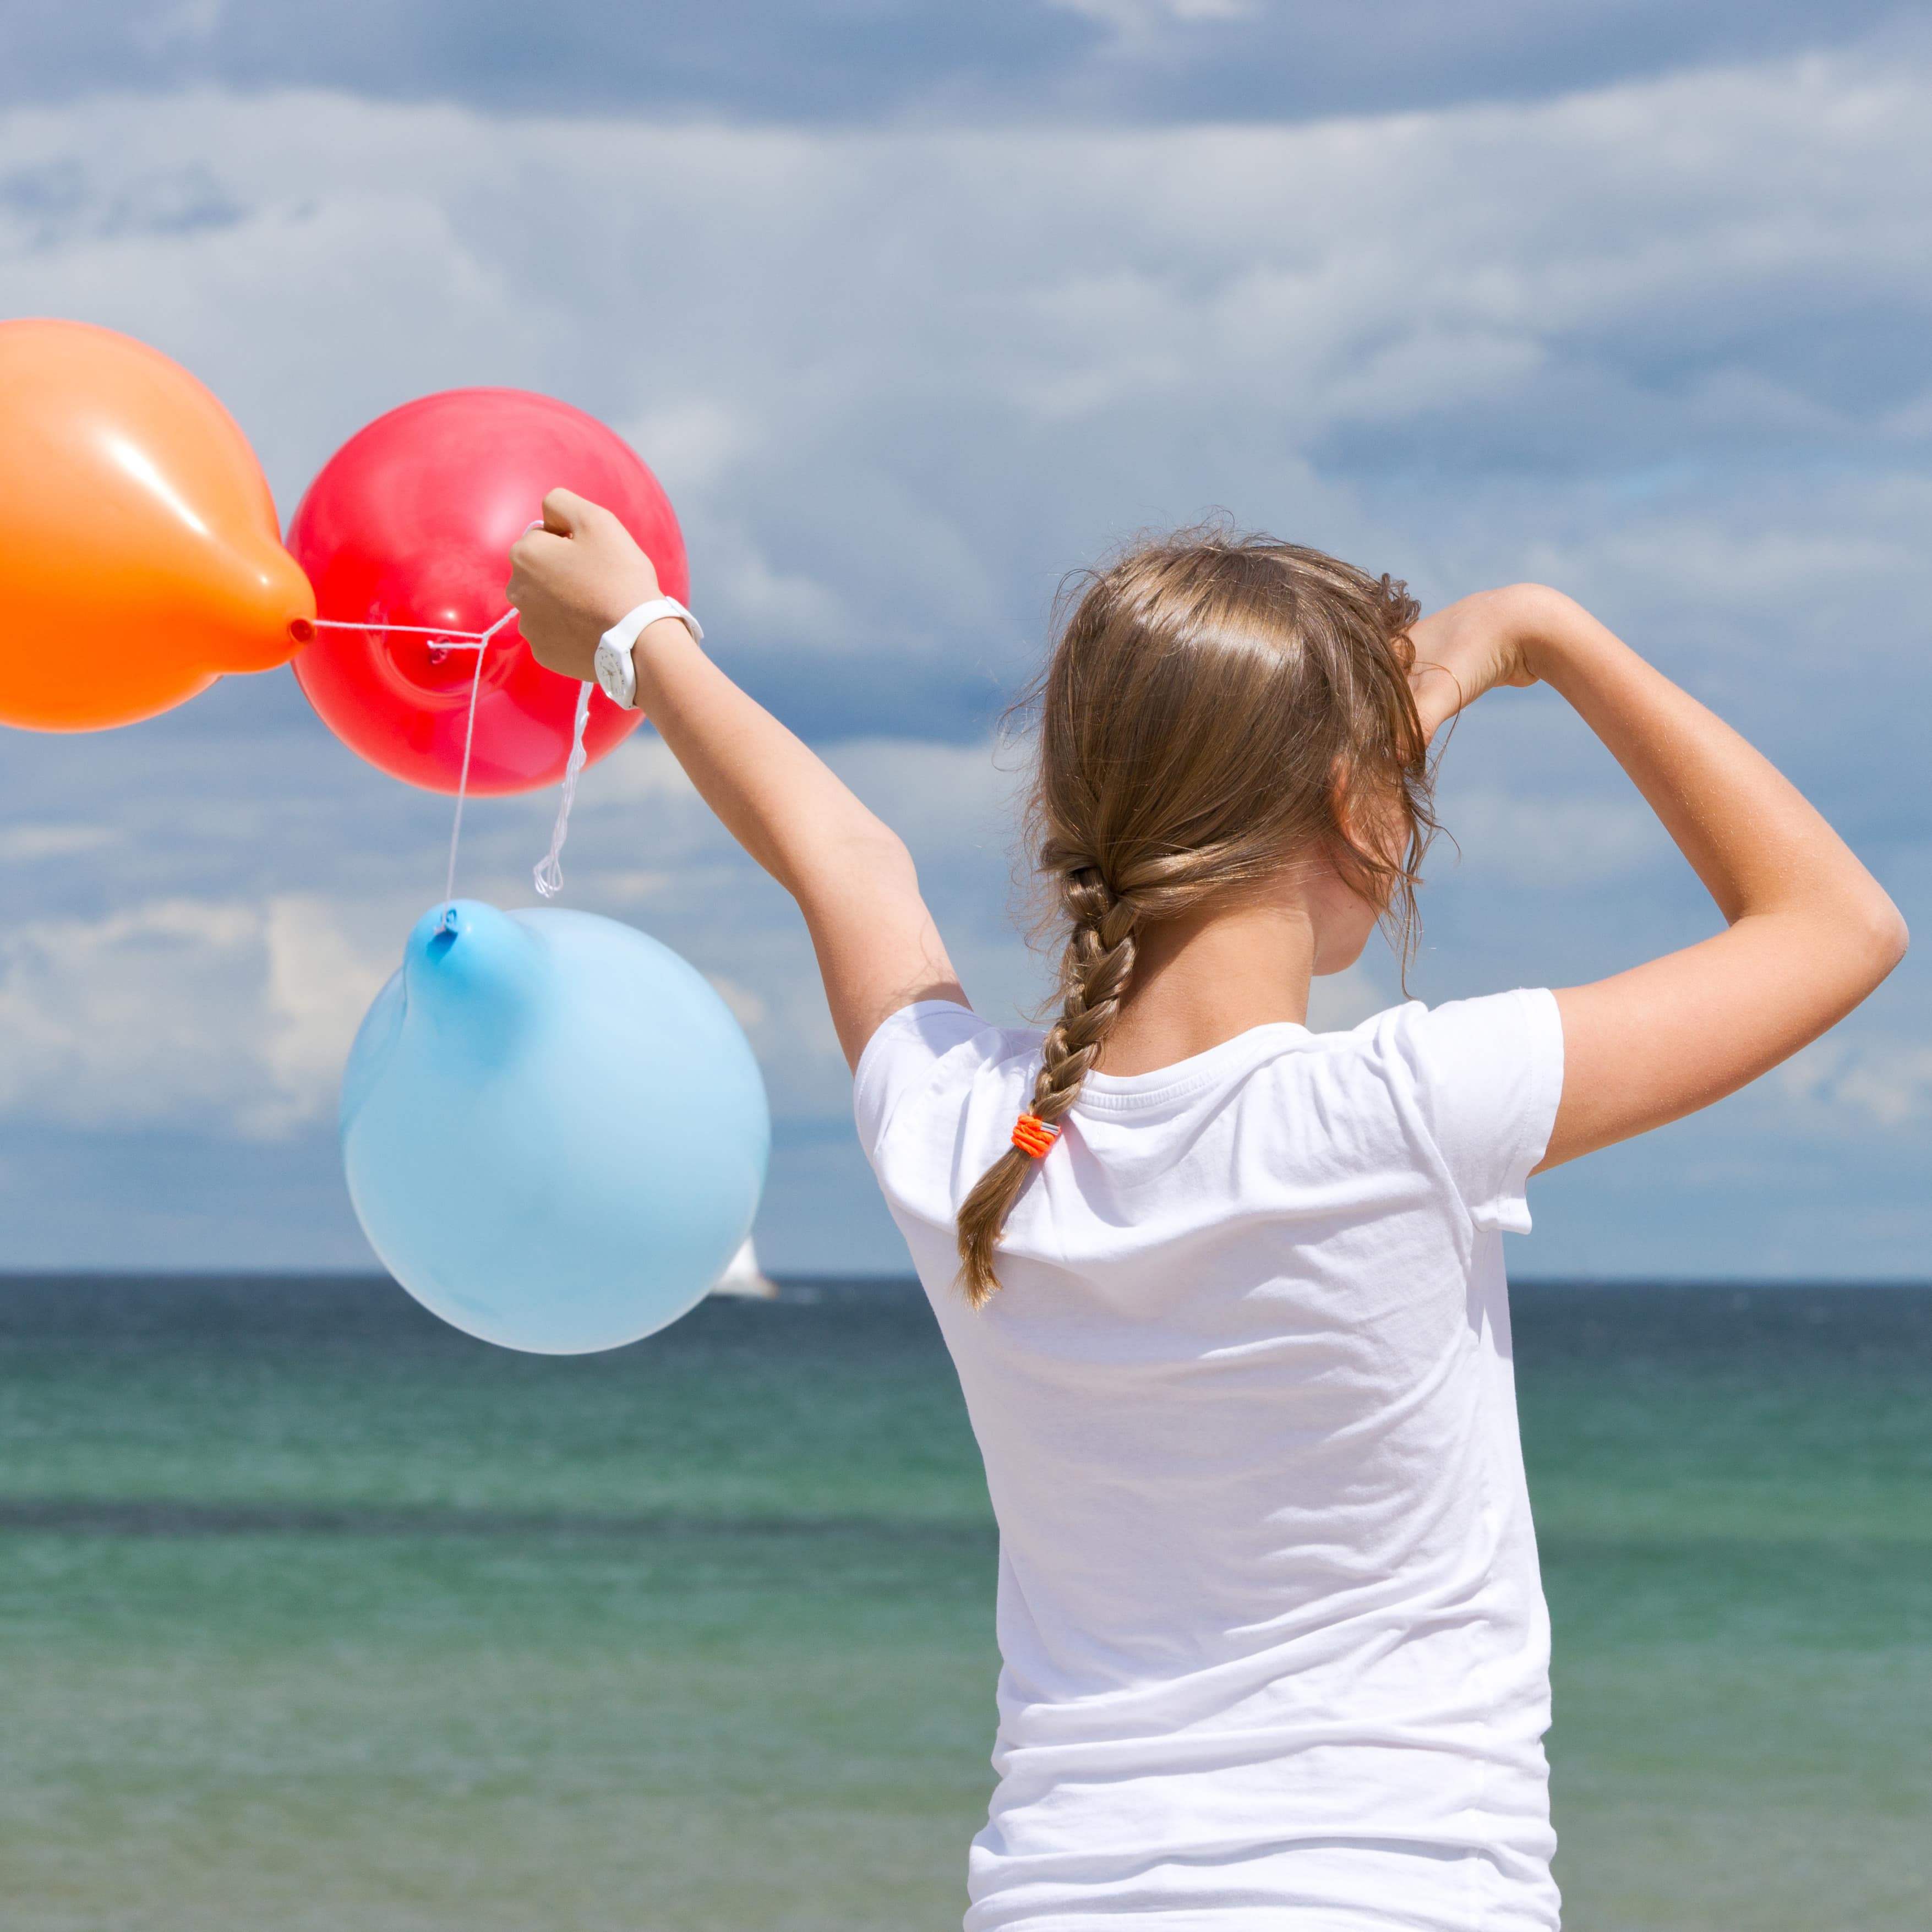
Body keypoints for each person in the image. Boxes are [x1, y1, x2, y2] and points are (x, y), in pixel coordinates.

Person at [507, 499, 1906, 1932]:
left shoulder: (958, 1136)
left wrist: (636, 633)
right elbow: (1837, 924)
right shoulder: (1411, 1108)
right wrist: (1542, 626)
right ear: (1370, 805)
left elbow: (845, 856)